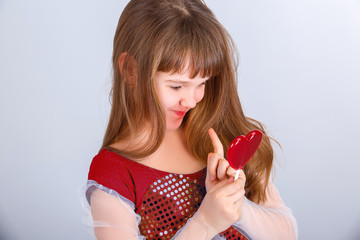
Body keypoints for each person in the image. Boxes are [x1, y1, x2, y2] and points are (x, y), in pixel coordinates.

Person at [84, 0, 298, 239]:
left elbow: (287, 234)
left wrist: (237, 206)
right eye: (176, 86)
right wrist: (205, 223)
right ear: (131, 70)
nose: (192, 101)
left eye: (202, 84)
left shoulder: (222, 136)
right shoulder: (114, 173)